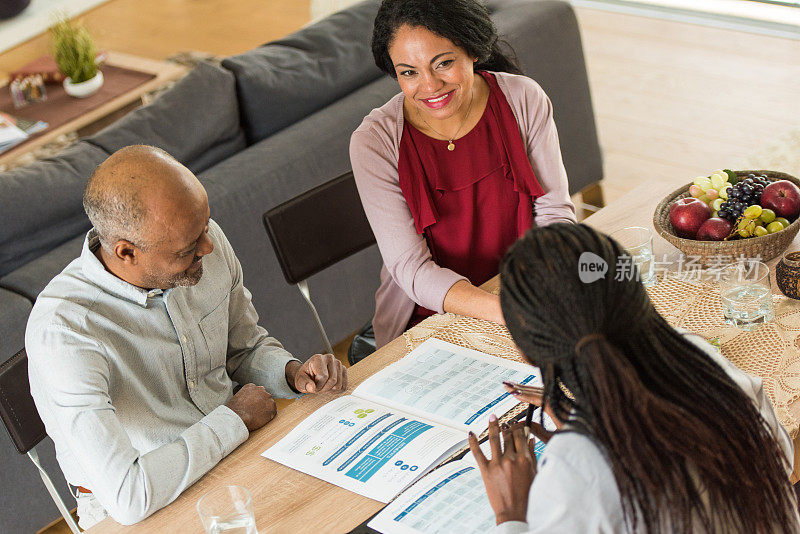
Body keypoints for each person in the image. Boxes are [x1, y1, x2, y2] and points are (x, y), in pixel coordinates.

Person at [25, 145, 347, 528]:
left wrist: (291, 372)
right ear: (125, 252)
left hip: (242, 449)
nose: (208, 248)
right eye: (189, 248)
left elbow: (242, 349)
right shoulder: (64, 332)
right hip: (144, 511)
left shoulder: (198, 239)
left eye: (206, 227)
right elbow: (129, 495)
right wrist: (234, 419)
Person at [468, 223, 799, 533]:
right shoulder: (706, 363)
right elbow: (780, 466)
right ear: (638, 295)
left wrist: (511, 514)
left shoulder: (575, 472)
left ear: (526, 352)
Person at [350, 0, 576, 348]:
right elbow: (411, 270)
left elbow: (554, 213)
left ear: (471, 50)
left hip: (526, 289)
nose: (430, 86)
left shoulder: (524, 98)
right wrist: (512, 313)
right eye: (408, 72)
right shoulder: (373, 143)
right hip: (430, 319)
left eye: (443, 63)